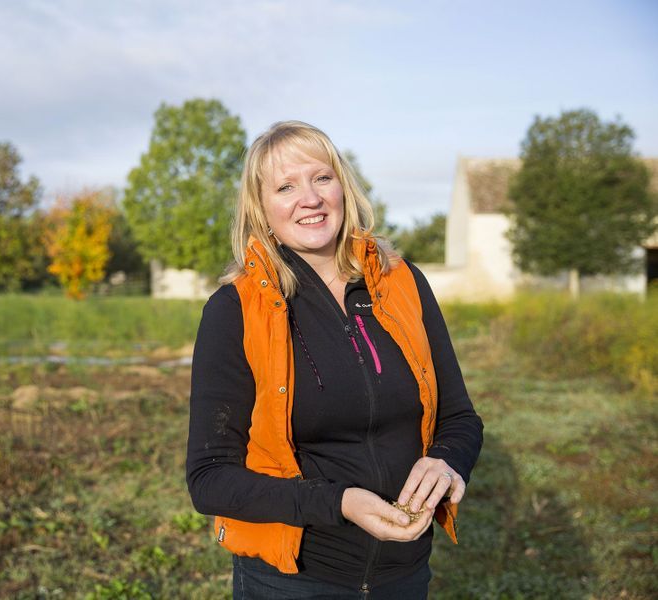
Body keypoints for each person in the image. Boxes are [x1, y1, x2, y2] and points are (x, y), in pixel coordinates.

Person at [185, 121, 484, 599]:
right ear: (261, 209)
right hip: (294, 581)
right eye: (285, 186)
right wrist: (339, 503)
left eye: (321, 178)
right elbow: (209, 480)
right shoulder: (236, 310)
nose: (310, 198)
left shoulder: (402, 283)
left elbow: (459, 417)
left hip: (403, 576)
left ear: (342, 186)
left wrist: (449, 462)